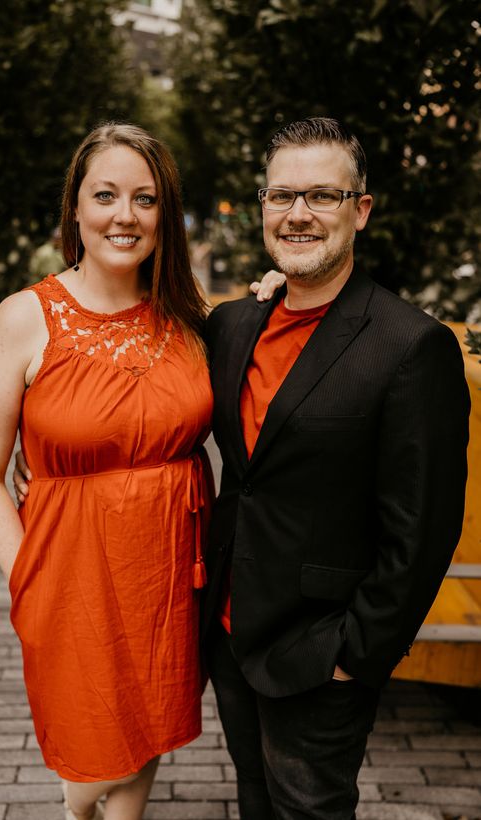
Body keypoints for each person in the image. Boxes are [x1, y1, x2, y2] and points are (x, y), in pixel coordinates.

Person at [202, 117, 470, 820]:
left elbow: (423, 526)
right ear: (260, 206)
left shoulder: (411, 345)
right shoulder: (233, 326)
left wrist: (355, 655)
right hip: (230, 635)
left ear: (361, 210)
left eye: (321, 195)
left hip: (320, 653)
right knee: (254, 804)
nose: (297, 214)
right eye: (281, 195)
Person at [0, 123, 216, 820]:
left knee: (149, 725)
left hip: (166, 568)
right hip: (68, 571)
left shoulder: (190, 319)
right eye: (105, 195)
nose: (123, 216)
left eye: (145, 198)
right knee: (87, 752)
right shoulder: (23, 318)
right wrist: (28, 573)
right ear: (75, 209)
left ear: (167, 212)